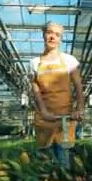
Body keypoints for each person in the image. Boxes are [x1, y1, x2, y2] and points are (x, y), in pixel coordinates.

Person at [30, 21, 84, 167]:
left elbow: (78, 86)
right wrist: (44, 111)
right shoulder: (35, 63)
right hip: (44, 118)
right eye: (49, 32)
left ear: (61, 39)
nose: (52, 37)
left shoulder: (69, 60)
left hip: (64, 119)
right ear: (43, 35)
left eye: (57, 34)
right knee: (44, 165)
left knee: (63, 163)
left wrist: (79, 109)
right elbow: (35, 89)